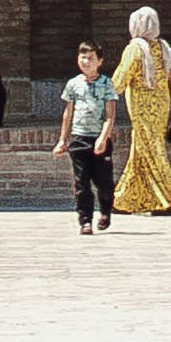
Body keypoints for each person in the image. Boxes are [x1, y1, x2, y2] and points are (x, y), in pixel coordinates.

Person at [111, 8, 171, 219]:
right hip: (161, 107)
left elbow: (122, 76)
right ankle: (125, 199)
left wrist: (101, 95)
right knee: (141, 150)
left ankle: (169, 201)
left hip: (142, 108)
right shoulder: (164, 48)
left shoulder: (135, 49)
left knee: (153, 150)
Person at [58, 41, 126, 234]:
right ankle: (85, 221)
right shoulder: (73, 84)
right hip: (79, 138)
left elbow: (110, 116)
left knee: (104, 182)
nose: (86, 62)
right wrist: (63, 139)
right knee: (81, 183)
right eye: (83, 58)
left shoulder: (107, 84)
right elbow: (68, 114)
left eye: (90, 58)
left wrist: (103, 138)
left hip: (99, 139)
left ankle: (105, 212)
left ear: (99, 61)